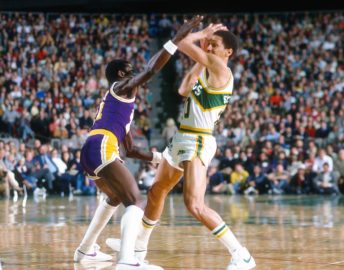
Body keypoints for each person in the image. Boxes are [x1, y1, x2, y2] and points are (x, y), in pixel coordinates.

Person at [107, 22, 256, 269]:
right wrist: (203, 54)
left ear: (228, 52)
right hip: (181, 138)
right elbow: (184, 88)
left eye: (215, 44)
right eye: (209, 43)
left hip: (198, 139)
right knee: (156, 192)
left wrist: (200, 35)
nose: (208, 45)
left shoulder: (221, 68)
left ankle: (241, 254)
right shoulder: (208, 68)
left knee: (194, 204)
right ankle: (139, 248)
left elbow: (182, 43)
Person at [73, 16, 203, 270]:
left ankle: (85, 251)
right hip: (102, 145)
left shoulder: (119, 105)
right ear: (122, 74)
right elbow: (151, 70)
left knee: (113, 197)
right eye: (131, 68)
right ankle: (127, 261)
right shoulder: (122, 86)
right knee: (135, 202)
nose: (137, 70)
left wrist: (158, 158)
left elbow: (130, 149)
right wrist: (176, 40)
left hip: (92, 148)